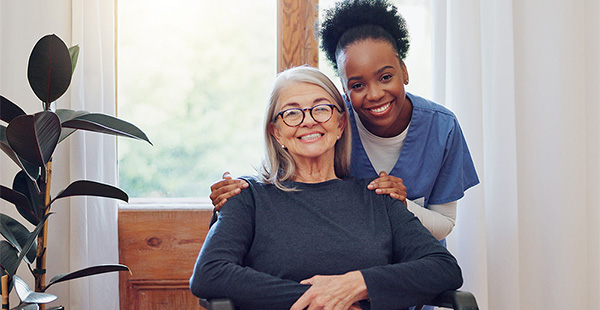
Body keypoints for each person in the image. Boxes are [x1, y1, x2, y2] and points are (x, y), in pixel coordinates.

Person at [190, 66, 463, 310]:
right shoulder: (247, 196)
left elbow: (444, 268)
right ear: (276, 132)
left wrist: (357, 284)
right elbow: (210, 273)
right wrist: (323, 300)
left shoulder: (377, 197)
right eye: (292, 113)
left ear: (340, 124)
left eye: (321, 108)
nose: (309, 120)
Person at [210, 0, 479, 241]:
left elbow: (445, 223)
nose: (374, 94)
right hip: (345, 266)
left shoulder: (442, 128)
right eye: (357, 85)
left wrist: (400, 203)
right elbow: (287, 182)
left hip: (412, 269)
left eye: (386, 77)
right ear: (344, 90)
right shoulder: (327, 121)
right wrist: (239, 194)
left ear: (404, 71)